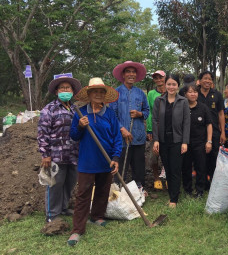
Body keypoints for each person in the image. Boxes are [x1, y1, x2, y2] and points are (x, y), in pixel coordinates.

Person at [68, 78, 122, 246]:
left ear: (105, 95)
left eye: (101, 92)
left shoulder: (110, 113)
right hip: (87, 160)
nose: (98, 94)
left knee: (103, 190)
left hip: (106, 160)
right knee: (83, 195)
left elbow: (117, 138)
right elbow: (74, 136)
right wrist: (80, 126)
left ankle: (97, 217)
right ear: (89, 94)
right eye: (95, 92)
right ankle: (77, 230)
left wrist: (115, 158)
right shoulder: (80, 112)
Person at [37, 75, 82, 223]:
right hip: (56, 155)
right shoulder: (49, 109)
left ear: (72, 91)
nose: (65, 90)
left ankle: (63, 208)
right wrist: (45, 154)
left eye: (67, 88)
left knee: (69, 183)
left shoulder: (75, 108)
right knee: (55, 185)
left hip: (73, 154)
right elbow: (43, 132)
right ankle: (52, 214)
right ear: (56, 91)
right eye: (62, 88)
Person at [109, 61, 150, 194]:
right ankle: (117, 191)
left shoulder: (140, 93)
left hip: (138, 137)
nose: (131, 74)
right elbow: (112, 115)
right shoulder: (116, 93)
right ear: (123, 74)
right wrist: (122, 129)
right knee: (121, 166)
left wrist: (139, 114)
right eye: (128, 72)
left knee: (138, 166)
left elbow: (147, 111)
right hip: (121, 138)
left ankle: (139, 191)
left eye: (133, 72)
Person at [152, 74, 190, 208]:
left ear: (178, 86)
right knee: (167, 168)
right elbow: (155, 120)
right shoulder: (159, 100)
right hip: (163, 140)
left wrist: (185, 141)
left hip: (177, 140)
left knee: (175, 169)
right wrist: (156, 139)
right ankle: (172, 193)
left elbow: (186, 122)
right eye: (169, 84)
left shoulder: (183, 101)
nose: (171, 87)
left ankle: (174, 199)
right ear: (165, 85)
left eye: (174, 84)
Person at [181, 83, 212, 198]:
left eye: (195, 92)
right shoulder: (182, 107)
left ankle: (200, 190)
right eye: (190, 92)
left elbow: (209, 125)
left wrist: (209, 141)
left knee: (201, 167)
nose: (193, 94)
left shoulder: (203, 108)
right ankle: (187, 189)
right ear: (185, 94)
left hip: (200, 142)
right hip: (185, 143)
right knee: (186, 167)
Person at [197, 71, 226, 184]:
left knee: (214, 156)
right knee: (200, 157)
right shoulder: (195, 94)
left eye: (210, 79)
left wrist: (222, 132)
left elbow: (221, 114)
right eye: (205, 78)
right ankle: (202, 181)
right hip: (198, 131)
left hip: (214, 131)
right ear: (200, 81)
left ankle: (213, 180)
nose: (207, 81)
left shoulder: (217, 95)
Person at [146, 70, 166, 189]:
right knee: (154, 154)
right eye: (156, 78)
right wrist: (149, 129)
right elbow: (149, 112)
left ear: (165, 78)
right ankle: (156, 177)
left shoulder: (170, 91)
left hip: (169, 129)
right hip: (156, 128)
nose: (159, 80)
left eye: (161, 78)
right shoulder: (151, 94)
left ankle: (167, 176)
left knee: (168, 155)